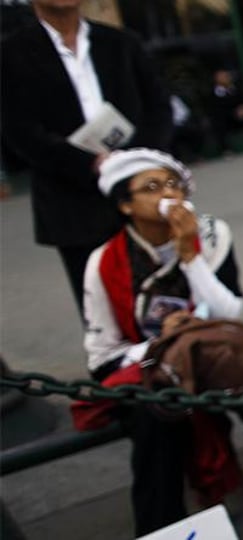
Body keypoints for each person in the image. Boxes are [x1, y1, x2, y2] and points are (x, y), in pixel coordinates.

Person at [79, 148, 243, 535]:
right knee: (154, 422)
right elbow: (102, 357)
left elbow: (228, 313)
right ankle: (162, 526)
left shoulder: (210, 234)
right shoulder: (103, 263)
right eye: (152, 187)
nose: (169, 195)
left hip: (211, 354)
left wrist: (190, 256)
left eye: (173, 183)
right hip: (150, 371)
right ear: (126, 205)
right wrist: (165, 343)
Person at [0, 0, 172, 317]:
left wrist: (133, 162)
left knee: (163, 302)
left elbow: (160, 109)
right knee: (101, 312)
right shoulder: (12, 55)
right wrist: (88, 163)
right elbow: (19, 132)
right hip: (72, 204)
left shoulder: (121, 43)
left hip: (139, 196)